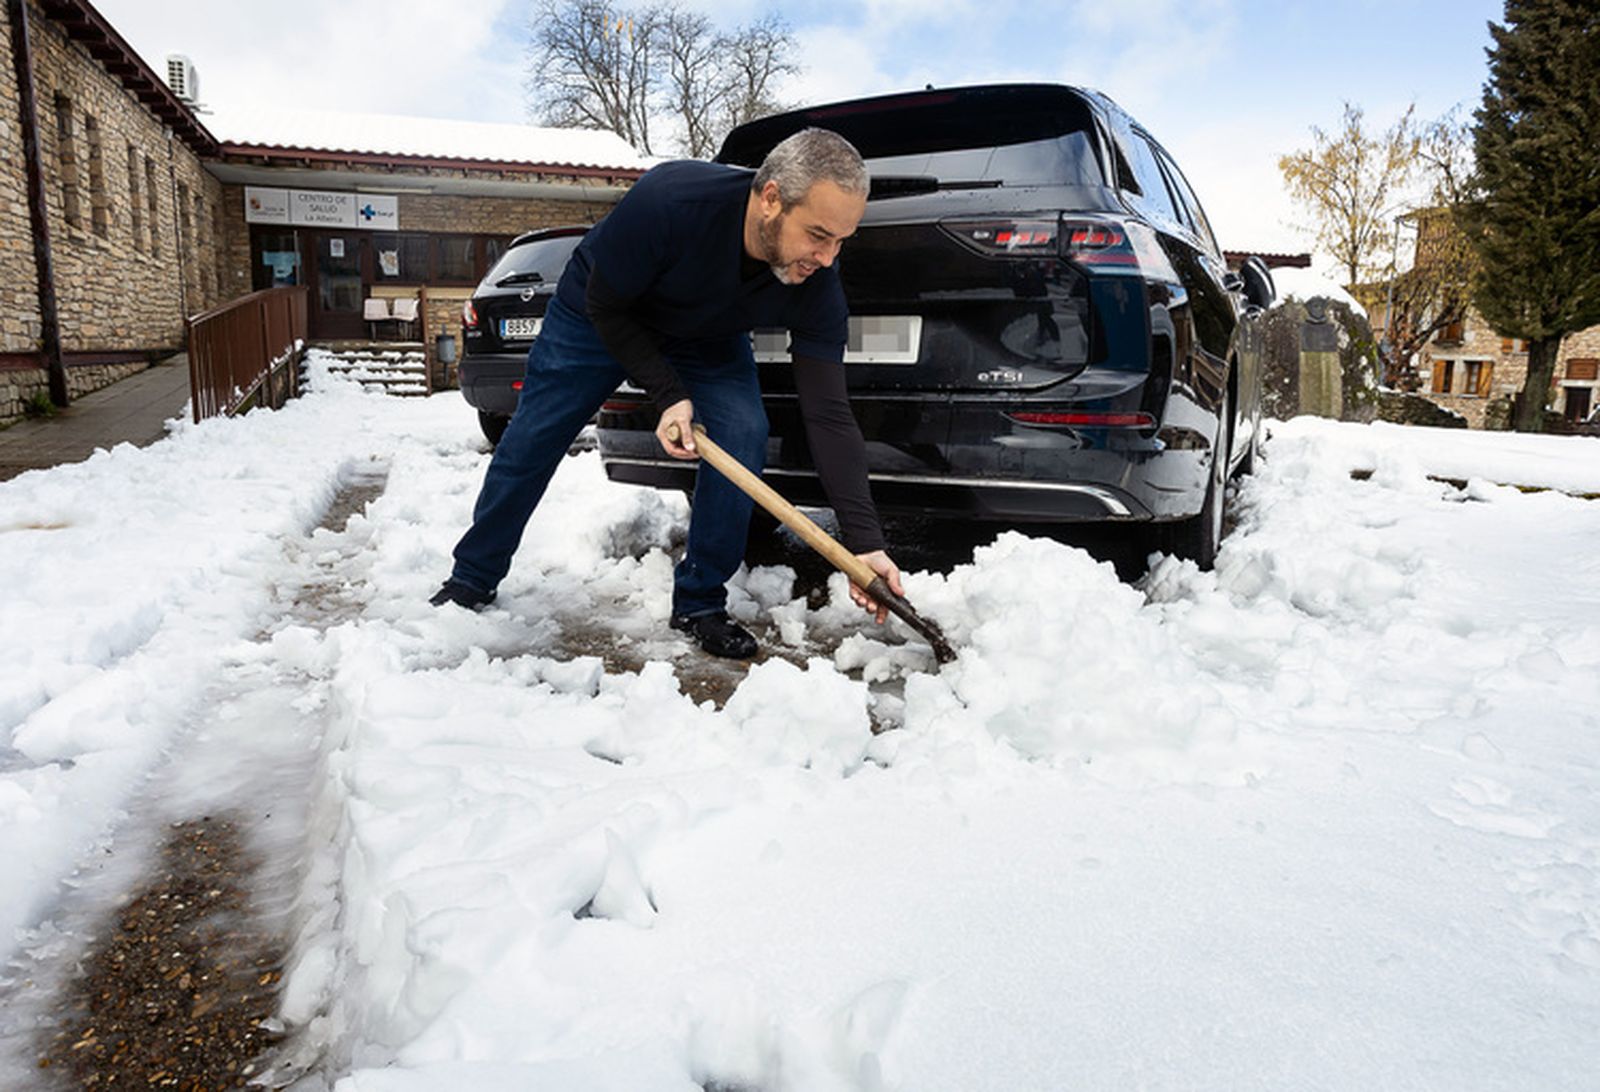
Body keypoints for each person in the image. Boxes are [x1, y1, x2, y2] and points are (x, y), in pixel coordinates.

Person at [430, 127, 902, 659]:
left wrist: (865, 544)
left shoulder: (818, 282)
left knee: (744, 432)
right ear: (771, 199)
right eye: (819, 235)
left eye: (842, 240)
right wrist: (667, 392)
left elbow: (829, 414)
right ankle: (473, 575)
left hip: (706, 333)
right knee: (536, 435)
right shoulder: (673, 200)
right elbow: (607, 306)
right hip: (601, 312)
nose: (828, 257)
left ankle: (701, 600)